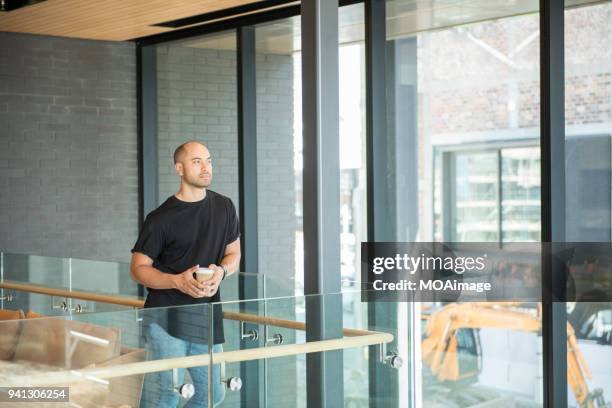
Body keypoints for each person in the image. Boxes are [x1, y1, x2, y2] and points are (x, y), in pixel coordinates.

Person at [130, 140, 240, 408]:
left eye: (209, 160)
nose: (206, 167)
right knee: (165, 396)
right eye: (197, 161)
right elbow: (138, 269)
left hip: (206, 318)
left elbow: (234, 254)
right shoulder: (160, 218)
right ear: (179, 168)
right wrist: (176, 281)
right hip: (165, 319)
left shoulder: (225, 207)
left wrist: (221, 272)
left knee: (213, 394)